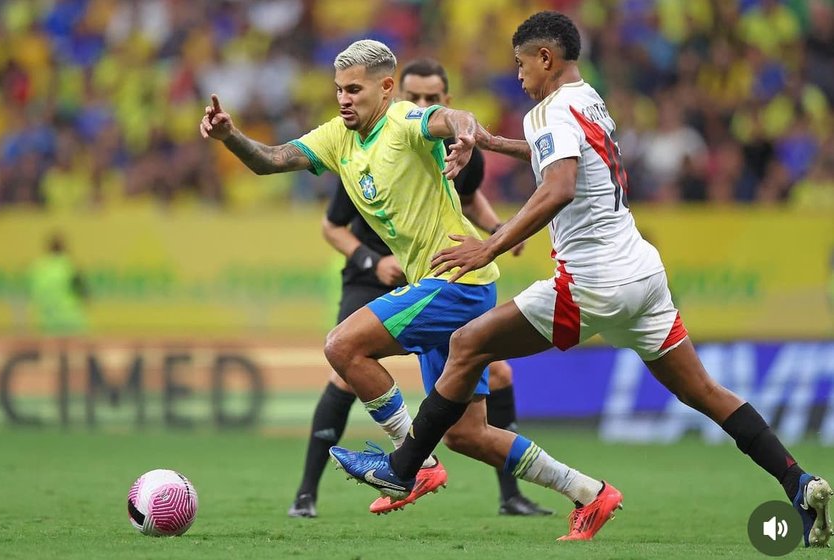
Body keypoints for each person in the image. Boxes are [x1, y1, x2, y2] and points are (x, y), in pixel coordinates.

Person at [330, 12, 834, 548]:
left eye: (521, 63)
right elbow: (566, 156)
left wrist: (490, 245)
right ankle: (798, 482)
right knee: (704, 390)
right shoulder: (587, 98)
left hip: (592, 281)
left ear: (545, 58)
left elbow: (560, 187)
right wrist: (501, 143)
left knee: (466, 343)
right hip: (642, 271)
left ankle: (404, 466)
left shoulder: (548, 109)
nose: (517, 74)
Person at [201, 39, 607, 535]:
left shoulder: (405, 122)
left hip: (457, 280)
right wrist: (230, 136)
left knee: (343, 346)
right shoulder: (336, 137)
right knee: (468, 434)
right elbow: (268, 160)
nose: (344, 99)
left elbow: (452, 119)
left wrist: (464, 134)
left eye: (355, 89)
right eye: (339, 90)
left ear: (387, 88)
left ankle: (410, 465)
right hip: (446, 286)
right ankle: (590, 492)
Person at [288, 58, 551, 518]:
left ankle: (503, 492)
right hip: (372, 274)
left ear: (444, 101)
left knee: (488, 391)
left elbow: (467, 200)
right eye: (416, 96)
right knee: (343, 365)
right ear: (393, 93)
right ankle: (307, 494)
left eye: (432, 99)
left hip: (438, 274)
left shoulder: (454, 150)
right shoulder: (350, 145)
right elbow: (332, 226)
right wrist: (372, 259)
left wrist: (497, 232)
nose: (422, 105)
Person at [29, 233, 88, 335]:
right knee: (76, 348)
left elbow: (32, 292)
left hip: (47, 319)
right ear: (64, 248)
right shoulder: (68, 265)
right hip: (70, 318)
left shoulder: (38, 267)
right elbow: (82, 289)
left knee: (51, 349)